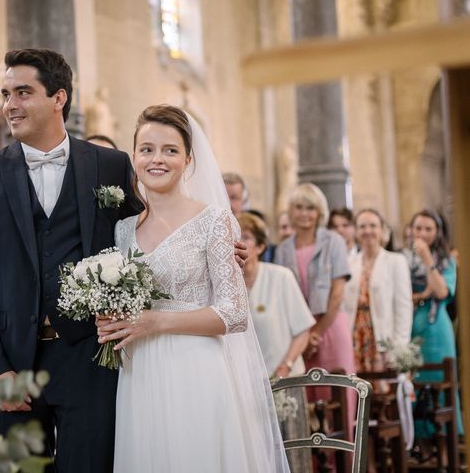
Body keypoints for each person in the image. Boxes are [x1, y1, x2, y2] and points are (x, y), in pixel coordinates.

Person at [0, 48, 143, 473]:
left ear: (59, 98)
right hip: (12, 363)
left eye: (22, 92)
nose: (9, 105)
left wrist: (215, 243)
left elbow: (146, 240)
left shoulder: (110, 165)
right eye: (5, 94)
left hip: (90, 359)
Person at [97, 105, 289, 472]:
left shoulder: (215, 221)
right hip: (140, 373)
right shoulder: (121, 230)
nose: (157, 159)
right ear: (134, 156)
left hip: (196, 369)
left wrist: (155, 322)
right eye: (147, 149)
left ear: (188, 159)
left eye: (170, 150)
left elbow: (234, 314)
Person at [274, 183, 356, 434]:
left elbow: (337, 293)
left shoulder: (334, 242)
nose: (304, 213)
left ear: (320, 211)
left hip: (330, 327)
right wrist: (303, 335)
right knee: (307, 400)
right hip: (298, 333)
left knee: (338, 396)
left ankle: (343, 462)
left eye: (310, 208)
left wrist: (316, 331)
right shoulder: (282, 249)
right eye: (298, 207)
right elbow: (283, 297)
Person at [237, 211, 314, 472]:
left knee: (293, 454)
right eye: (232, 236)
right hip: (246, 388)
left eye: (245, 237)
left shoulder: (281, 277)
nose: (237, 242)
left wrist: (285, 366)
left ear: (260, 246)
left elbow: (302, 330)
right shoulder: (227, 284)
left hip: (285, 382)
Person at [404, 210, 463, 438]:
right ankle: (417, 446)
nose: (422, 233)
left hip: (436, 331)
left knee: (438, 386)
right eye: (418, 228)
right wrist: (419, 296)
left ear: (437, 232)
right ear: (410, 230)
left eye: (428, 229)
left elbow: (441, 291)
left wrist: (428, 260)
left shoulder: (446, 260)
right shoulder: (401, 259)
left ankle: (445, 449)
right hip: (408, 328)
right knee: (412, 388)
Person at [343, 209, 412, 373]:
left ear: (382, 230)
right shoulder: (348, 262)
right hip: (355, 337)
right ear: (356, 231)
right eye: (362, 226)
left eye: (373, 226)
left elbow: (403, 307)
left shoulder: (396, 261)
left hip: (382, 338)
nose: (367, 231)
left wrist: (399, 347)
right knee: (357, 391)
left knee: (384, 393)